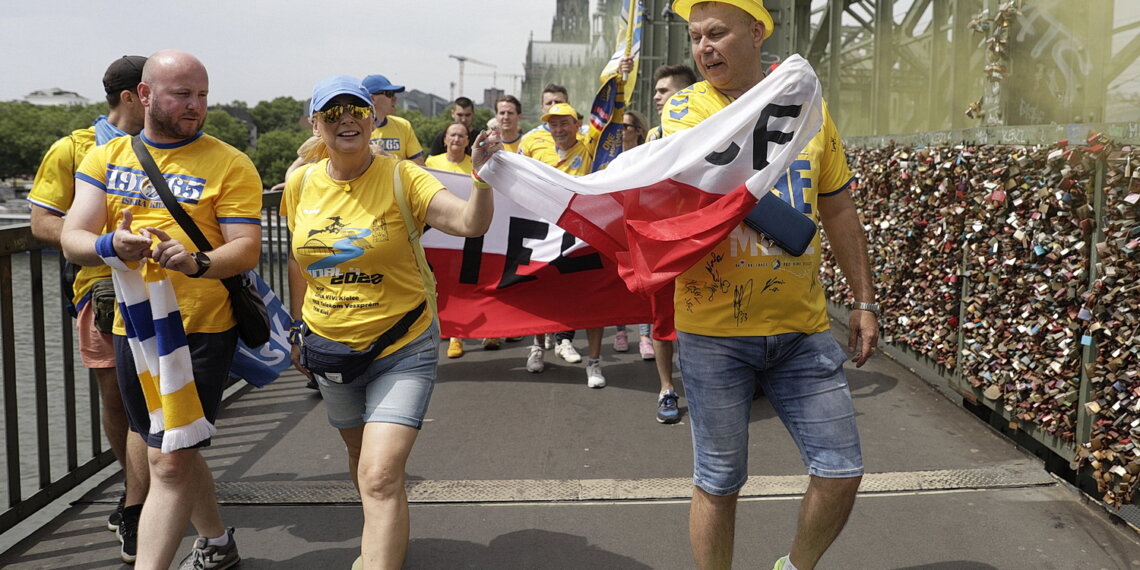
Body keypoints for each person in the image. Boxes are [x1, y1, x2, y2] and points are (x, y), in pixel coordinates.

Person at [662, 1, 878, 569]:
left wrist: (862, 301)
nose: (704, 47)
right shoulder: (686, 108)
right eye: (695, 37)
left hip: (802, 330)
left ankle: (794, 568)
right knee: (719, 480)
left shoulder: (808, 107)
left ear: (757, 33)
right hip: (712, 333)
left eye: (717, 33)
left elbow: (838, 209)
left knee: (841, 472)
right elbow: (716, 188)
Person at [283, 75, 497, 569]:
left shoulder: (404, 176)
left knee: (379, 474)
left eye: (355, 109)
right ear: (316, 126)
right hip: (331, 348)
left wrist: (482, 181)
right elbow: (299, 260)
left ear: (373, 118)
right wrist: (297, 328)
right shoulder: (300, 183)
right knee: (363, 464)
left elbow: (470, 223)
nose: (346, 120)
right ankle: (382, 542)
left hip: (401, 344)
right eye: (332, 114)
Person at [61, 49, 260, 570]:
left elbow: (244, 248)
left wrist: (196, 261)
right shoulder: (105, 158)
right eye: (182, 94)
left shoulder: (230, 162)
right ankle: (217, 544)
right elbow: (73, 235)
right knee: (173, 447)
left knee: (167, 462)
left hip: (200, 329)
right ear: (144, 96)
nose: (196, 105)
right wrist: (111, 245)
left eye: (202, 95)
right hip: (134, 327)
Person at [27, 54, 151, 563]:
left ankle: (150, 496)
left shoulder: (169, 146)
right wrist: (105, 244)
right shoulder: (74, 148)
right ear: (131, 96)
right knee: (120, 398)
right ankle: (134, 500)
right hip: (103, 287)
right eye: (155, 91)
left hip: (172, 287)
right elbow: (41, 223)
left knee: (161, 397)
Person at [523, 102, 607, 388]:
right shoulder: (535, 146)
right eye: (553, 124)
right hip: (544, 234)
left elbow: (610, 117)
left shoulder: (589, 146)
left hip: (584, 234)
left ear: (576, 124)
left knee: (594, 298)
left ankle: (593, 364)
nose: (558, 129)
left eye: (564, 123)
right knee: (539, 292)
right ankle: (537, 347)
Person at [610, 109, 682, 424]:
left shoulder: (712, 129)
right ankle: (667, 388)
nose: (658, 97)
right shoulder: (654, 141)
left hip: (701, 245)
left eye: (665, 92)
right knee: (664, 321)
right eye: (657, 92)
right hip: (662, 244)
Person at [425, 123, 501, 356]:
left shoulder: (475, 163)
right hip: (442, 233)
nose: (457, 139)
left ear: (468, 141)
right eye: (452, 135)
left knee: (478, 282)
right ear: (445, 139)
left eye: (461, 135)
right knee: (451, 286)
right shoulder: (431, 164)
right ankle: (454, 337)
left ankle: (489, 331)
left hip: (472, 233)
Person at [362, 74, 425, 165]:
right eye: (389, 94)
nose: (395, 98)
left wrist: (389, 157)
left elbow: (420, 165)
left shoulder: (403, 125)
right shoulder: (355, 129)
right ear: (372, 99)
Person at [648, 63, 698, 141]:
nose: (656, 97)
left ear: (684, 93)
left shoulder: (701, 127)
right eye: (656, 91)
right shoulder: (652, 134)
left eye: (663, 91)